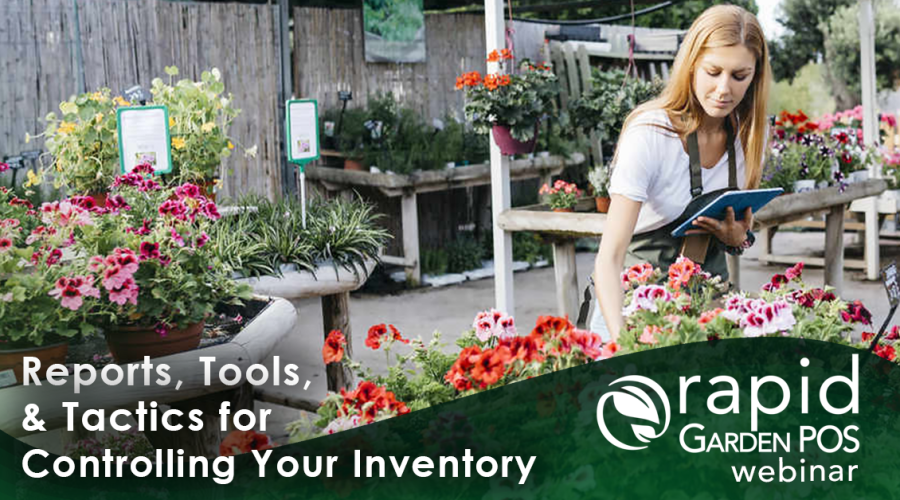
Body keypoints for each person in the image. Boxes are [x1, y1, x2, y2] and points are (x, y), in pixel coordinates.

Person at [590, 5, 772, 342]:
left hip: (707, 312)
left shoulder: (748, 138)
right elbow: (608, 259)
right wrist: (625, 345)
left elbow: (740, 234)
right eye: (713, 71)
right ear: (690, 66)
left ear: (755, 76)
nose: (723, 89)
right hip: (635, 313)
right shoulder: (651, 133)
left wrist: (737, 239)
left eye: (739, 76)